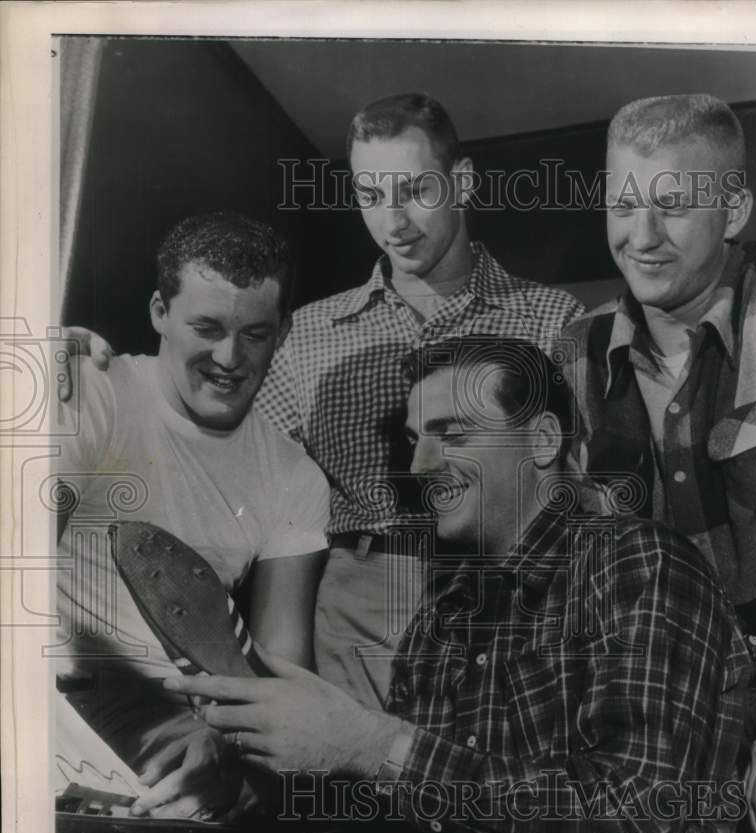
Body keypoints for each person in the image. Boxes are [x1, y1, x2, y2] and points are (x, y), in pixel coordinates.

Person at [152, 338, 755, 833]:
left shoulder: (638, 565)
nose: (420, 463)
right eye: (416, 438)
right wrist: (281, 760)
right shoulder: (447, 618)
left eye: (452, 433)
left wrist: (370, 742)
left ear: (543, 440)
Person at [58, 92, 585, 712]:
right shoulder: (304, 333)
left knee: (489, 793)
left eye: (415, 189)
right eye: (370, 196)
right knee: (346, 796)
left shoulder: (555, 318)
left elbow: (578, 487)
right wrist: (66, 355)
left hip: (509, 594)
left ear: (462, 182)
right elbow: (219, 453)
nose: (395, 222)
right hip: (355, 599)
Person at [561, 94, 756, 833]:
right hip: (667, 708)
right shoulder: (579, 352)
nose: (642, 236)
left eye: (674, 207)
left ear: (734, 210)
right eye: (623, 205)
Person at [55, 212, 331, 818]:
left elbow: (282, 679)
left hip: (185, 723)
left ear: (283, 330)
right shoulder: (94, 388)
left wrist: (232, 753)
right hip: (59, 695)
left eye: (255, 334)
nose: (229, 357)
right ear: (159, 311)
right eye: (205, 327)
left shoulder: (296, 477)